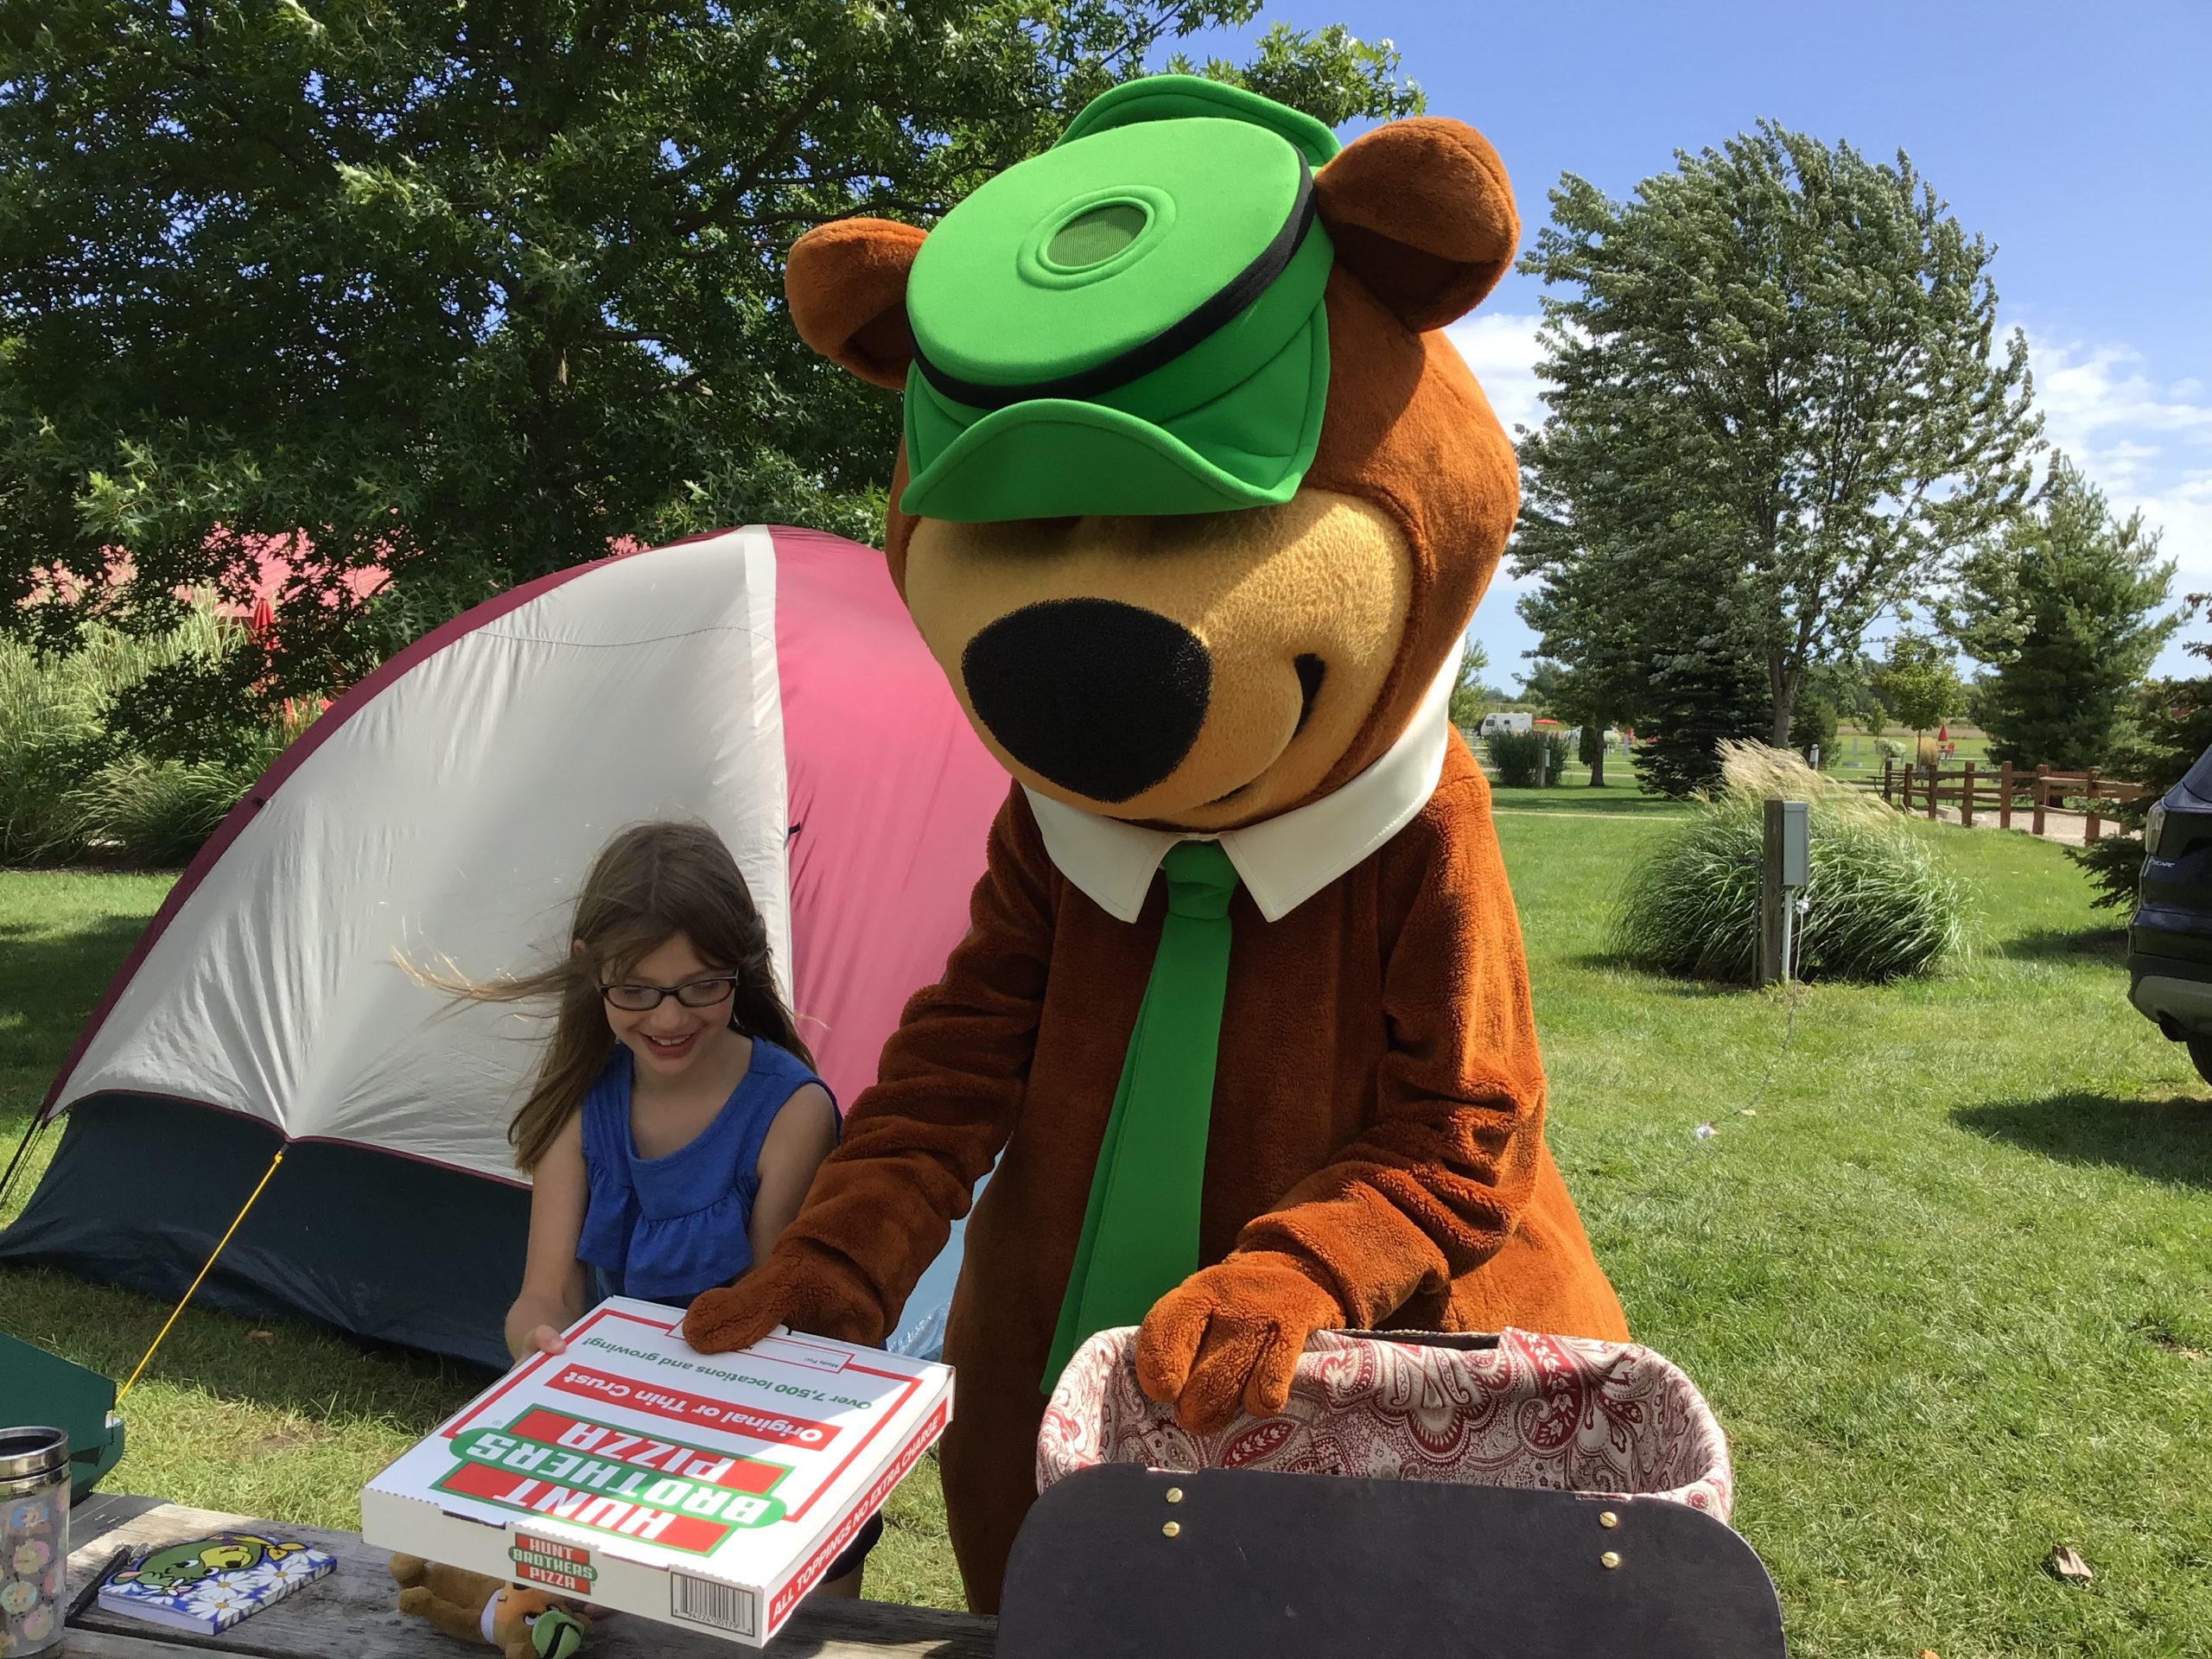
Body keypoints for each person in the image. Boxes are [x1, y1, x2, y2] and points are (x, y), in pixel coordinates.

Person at [429, 820, 880, 1597]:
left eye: (702, 985)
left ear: (743, 969)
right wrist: (538, 1344)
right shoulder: (578, 1104)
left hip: (758, 1436)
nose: (669, 1020)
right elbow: (549, 1293)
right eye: (635, 990)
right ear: (589, 972)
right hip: (618, 1432)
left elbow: (772, 1320)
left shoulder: (792, 1112)